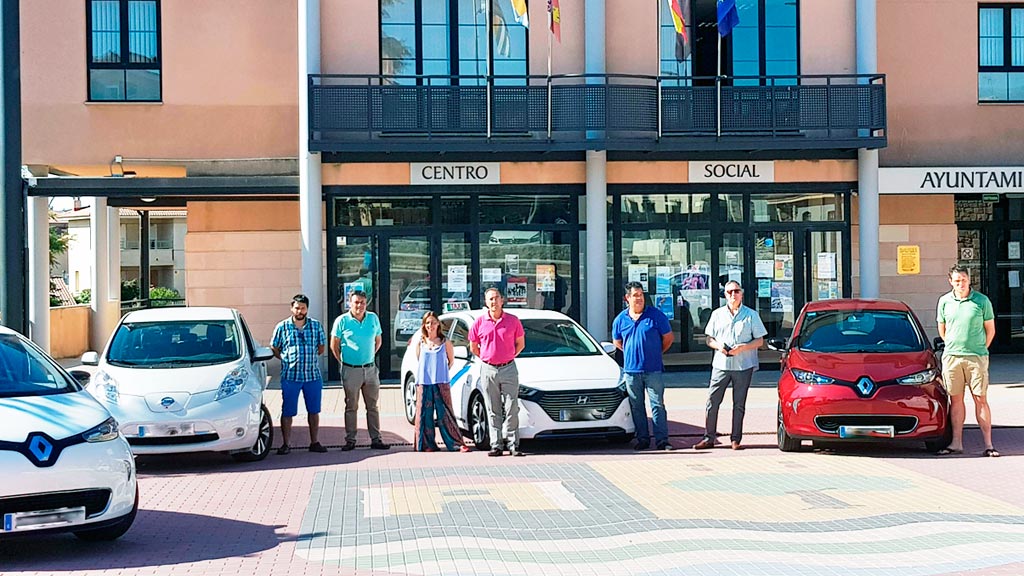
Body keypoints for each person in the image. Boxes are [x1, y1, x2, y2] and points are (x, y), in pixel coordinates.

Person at [694, 280, 767, 451]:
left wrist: (744, 347)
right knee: (712, 401)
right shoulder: (717, 314)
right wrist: (719, 346)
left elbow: (760, 340)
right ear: (725, 295)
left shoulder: (751, 315)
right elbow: (708, 338)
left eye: (736, 291)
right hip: (721, 364)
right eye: (729, 292)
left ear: (741, 293)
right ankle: (708, 437)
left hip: (743, 365)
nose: (733, 295)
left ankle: (736, 439)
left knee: (739, 403)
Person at [936, 265, 998, 457]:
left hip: (976, 358)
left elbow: (990, 329)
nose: (960, 284)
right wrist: (953, 346)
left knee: (980, 399)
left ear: (969, 280)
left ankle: (988, 445)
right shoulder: (944, 301)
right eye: (956, 281)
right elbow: (942, 329)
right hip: (953, 358)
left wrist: (981, 350)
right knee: (955, 400)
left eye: (963, 279)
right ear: (950, 282)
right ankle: (956, 443)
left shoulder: (982, 301)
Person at [612, 281, 675, 451]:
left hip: (653, 369)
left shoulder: (656, 315)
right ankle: (643, 439)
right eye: (635, 295)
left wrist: (655, 351)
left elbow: (668, 338)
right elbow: (617, 342)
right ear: (627, 298)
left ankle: (662, 440)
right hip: (631, 372)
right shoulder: (620, 319)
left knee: (657, 405)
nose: (639, 298)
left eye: (641, 295)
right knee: (637, 407)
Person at [469, 287, 526, 457]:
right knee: (492, 408)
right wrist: (488, 358)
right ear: (486, 303)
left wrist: (507, 356)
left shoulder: (513, 321)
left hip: (509, 368)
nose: (494, 302)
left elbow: (520, 344)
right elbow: (473, 347)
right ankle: (496, 445)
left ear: (502, 300)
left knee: (511, 407)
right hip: (488, 369)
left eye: (496, 298)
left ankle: (513, 444)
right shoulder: (479, 323)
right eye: (490, 299)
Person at [330, 290, 389, 451]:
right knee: (351, 406)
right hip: (351, 370)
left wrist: (369, 357)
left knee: (373, 406)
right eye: (356, 302)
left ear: (366, 303)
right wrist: (342, 361)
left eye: (362, 302)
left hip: (370, 369)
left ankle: (376, 439)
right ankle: (350, 440)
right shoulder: (342, 321)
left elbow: (378, 340)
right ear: (350, 303)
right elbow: (334, 344)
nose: (360, 305)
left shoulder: (373, 318)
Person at [271, 294, 328, 455]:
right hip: (291, 377)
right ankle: (285, 444)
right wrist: (285, 358)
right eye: (297, 307)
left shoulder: (316, 326)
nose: (300, 311)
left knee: (314, 410)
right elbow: (274, 347)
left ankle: (314, 442)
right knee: (288, 411)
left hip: (312, 377)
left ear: (307, 309)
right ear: (292, 308)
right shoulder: (282, 327)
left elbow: (321, 347)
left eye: (303, 308)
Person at [413, 311, 471, 453]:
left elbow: (450, 361)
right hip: (424, 382)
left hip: (441, 381)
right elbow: (419, 359)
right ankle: (427, 444)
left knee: (445, 413)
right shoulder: (421, 342)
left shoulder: (445, 342)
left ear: (438, 324)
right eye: (427, 323)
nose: (430, 326)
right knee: (424, 413)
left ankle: (456, 443)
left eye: (433, 322)